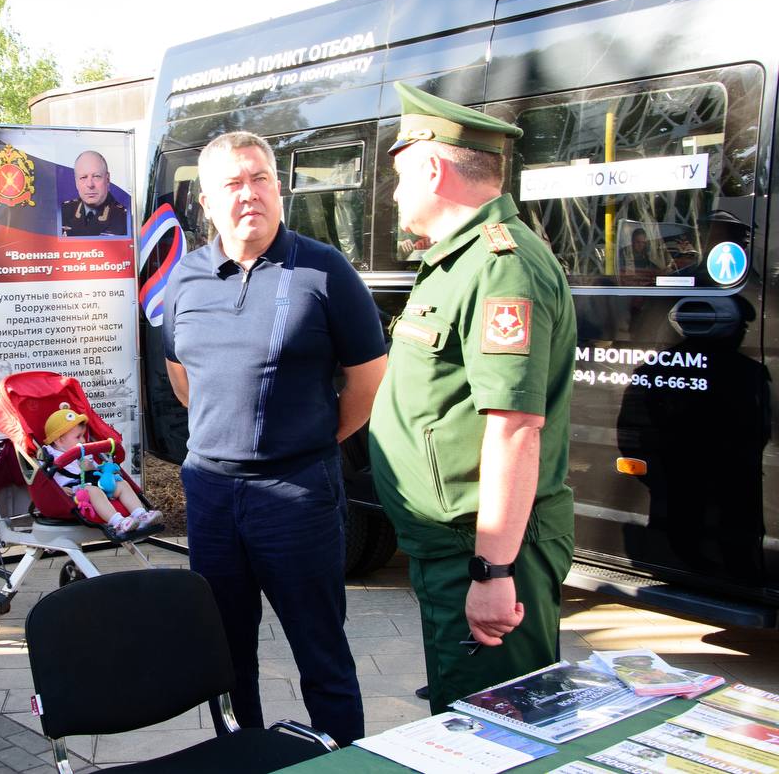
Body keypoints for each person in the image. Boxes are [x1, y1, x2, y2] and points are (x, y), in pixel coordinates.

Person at [162, 131, 387, 746]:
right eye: (232, 184)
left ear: (278, 188)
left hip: (297, 495)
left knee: (321, 654)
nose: (248, 194)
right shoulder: (184, 280)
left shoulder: (324, 270)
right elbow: (183, 375)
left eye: (259, 178)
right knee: (226, 658)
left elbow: (368, 381)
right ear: (205, 202)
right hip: (210, 496)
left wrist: (306, 439)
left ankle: (339, 761)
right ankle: (244, 756)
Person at [368, 82, 577, 715]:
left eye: (401, 177)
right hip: (452, 550)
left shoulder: (499, 266)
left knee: (499, 731)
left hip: (477, 554)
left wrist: (492, 572)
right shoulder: (456, 262)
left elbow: (515, 428)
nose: (396, 193)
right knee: (470, 718)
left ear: (433, 168)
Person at [41, 406, 162, 537]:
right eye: (78, 437)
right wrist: (58, 490)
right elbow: (45, 479)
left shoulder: (83, 451)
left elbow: (96, 471)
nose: (83, 440)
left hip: (95, 484)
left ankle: (141, 515)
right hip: (74, 492)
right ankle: (119, 523)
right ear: (60, 440)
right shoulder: (50, 455)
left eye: (83, 436)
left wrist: (92, 468)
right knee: (93, 490)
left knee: (121, 484)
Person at [60, 151, 129, 236]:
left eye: (96, 176)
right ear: (76, 182)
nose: (90, 185)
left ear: (107, 179)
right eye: (83, 177)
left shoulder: (126, 219)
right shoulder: (62, 212)